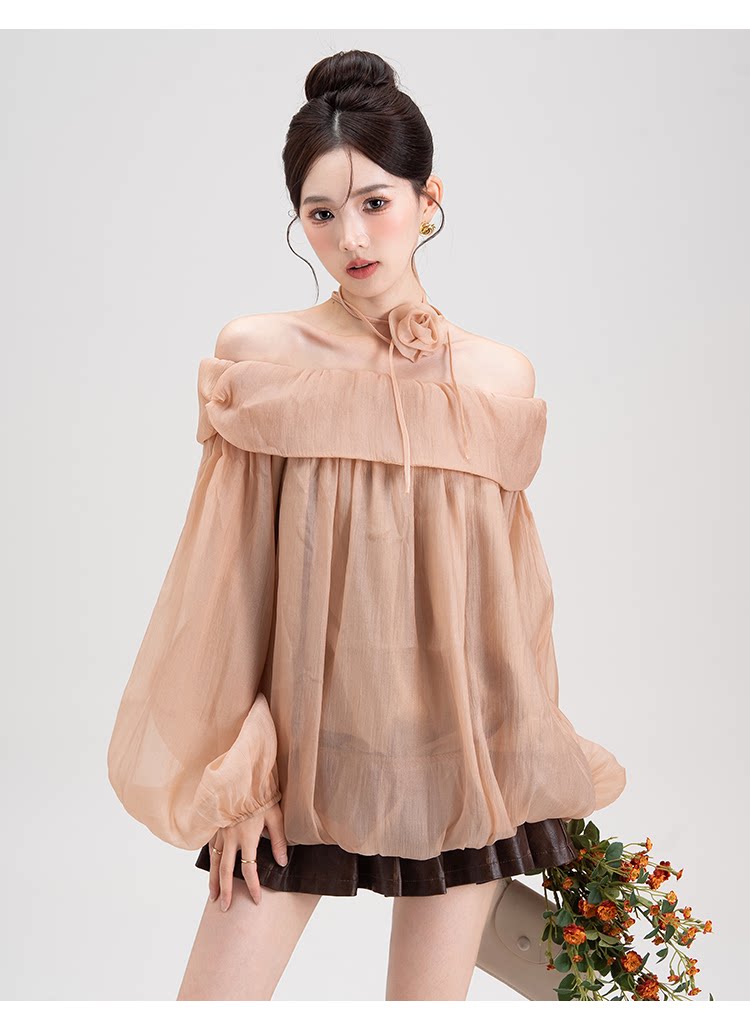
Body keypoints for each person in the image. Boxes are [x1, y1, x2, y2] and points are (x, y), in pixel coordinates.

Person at [107, 49, 626, 1001]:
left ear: (430, 200)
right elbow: (227, 588)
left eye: (375, 202)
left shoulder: (498, 378)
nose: (350, 237)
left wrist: (522, 760)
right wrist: (243, 770)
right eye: (320, 213)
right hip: (300, 759)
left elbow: (510, 606)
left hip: (460, 760)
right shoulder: (262, 357)